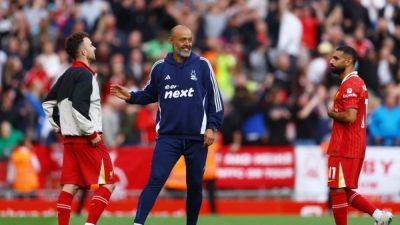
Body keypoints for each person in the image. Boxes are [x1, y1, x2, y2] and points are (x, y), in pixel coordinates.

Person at [110, 25, 224, 225]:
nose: (187, 43)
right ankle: (138, 223)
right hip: (168, 137)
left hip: (197, 138)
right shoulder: (160, 67)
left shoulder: (203, 65)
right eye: (183, 40)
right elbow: (149, 94)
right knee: (156, 179)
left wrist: (212, 127)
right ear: (171, 41)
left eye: (190, 39)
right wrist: (131, 96)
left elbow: (216, 99)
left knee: (195, 185)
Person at [42, 32, 115, 225]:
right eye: (91, 45)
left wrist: (59, 127)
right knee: (107, 184)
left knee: (70, 187)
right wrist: (91, 134)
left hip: (69, 140)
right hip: (87, 139)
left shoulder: (65, 75)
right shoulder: (86, 75)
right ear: (83, 51)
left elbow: (48, 104)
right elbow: (79, 108)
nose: (94, 48)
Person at [326, 46, 392, 225]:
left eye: (336, 58)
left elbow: (350, 116)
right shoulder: (352, 82)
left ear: (348, 61)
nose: (331, 61)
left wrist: (332, 114)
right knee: (342, 189)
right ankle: (379, 216)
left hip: (346, 145)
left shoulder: (351, 84)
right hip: (350, 143)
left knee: (337, 189)